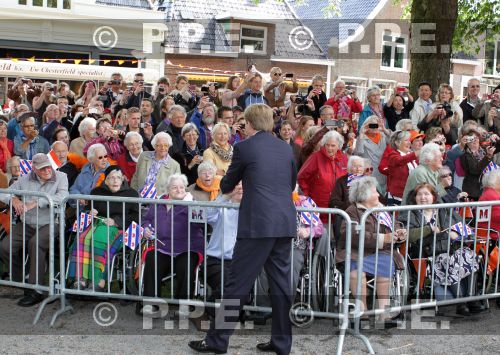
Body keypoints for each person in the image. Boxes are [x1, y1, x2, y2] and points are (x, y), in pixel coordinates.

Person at [189, 104, 297, 355]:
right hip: (283, 222)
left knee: (237, 283)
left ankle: (217, 341)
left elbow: (227, 183)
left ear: (249, 124)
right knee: (281, 286)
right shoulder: (284, 147)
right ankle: (282, 344)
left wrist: (235, 184)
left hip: (258, 223)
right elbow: (290, 183)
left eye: (244, 123)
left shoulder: (244, 147)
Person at [398, 183, 481, 315]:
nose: (423, 197)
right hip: (428, 252)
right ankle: (460, 302)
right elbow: (409, 235)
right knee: (447, 260)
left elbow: (465, 229)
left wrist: (457, 233)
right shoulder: (409, 213)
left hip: (451, 248)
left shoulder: (445, 209)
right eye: (419, 194)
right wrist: (429, 229)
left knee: (468, 254)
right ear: (414, 198)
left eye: (426, 194)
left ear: (434, 197)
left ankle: (471, 297)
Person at [0, 153, 68, 306]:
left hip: (51, 222)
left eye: (48, 167)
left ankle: (36, 290)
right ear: (34, 169)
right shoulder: (24, 178)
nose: (46, 171)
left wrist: (37, 202)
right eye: (42, 169)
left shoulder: (61, 176)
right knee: (5, 247)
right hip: (28, 223)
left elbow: (63, 196)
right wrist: (14, 198)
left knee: (35, 243)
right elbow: (3, 193)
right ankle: (23, 282)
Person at [339, 177, 406, 325]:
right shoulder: (352, 211)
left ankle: (384, 314)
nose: (378, 195)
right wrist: (383, 238)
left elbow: (393, 225)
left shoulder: (381, 209)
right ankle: (361, 313)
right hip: (356, 252)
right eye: (375, 192)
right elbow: (353, 235)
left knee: (386, 265)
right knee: (357, 272)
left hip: (380, 252)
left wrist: (399, 232)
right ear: (364, 195)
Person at [138, 174, 204, 313]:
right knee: (152, 259)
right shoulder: (159, 202)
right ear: (168, 189)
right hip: (162, 246)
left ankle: (184, 305)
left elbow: (201, 223)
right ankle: (151, 303)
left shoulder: (193, 202)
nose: (179, 190)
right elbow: (146, 219)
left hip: (187, 247)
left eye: (181, 187)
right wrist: (146, 229)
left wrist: (189, 205)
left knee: (186, 264)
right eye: (174, 187)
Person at [67, 166, 139, 290]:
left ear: (123, 179)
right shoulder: (97, 192)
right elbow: (88, 208)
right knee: (82, 239)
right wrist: (91, 211)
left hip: (119, 229)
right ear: (106, 180)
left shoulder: (132, 194)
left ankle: (99, 281)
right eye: (112, 178)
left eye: (118, 178)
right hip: (97, 224)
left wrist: (116, 222)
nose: (115, 181)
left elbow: (136, 216)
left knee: (100, 241)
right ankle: (81, 279)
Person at [298, 130, 348, 223]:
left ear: (339, 146)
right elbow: (301, 177)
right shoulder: (316, 157)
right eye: (327, 145)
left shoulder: (344, 159)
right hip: (319, 207)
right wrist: (307, 196)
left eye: (333, 145)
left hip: (339, 210)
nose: (329, 148)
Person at [130, 132, 181, 197]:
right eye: (159, 145)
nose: (163, 148)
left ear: (169, 146)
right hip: (139, 200)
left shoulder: (175, 165)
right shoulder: (144, 156)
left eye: (166, 145)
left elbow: (176, 188)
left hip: (160, 203)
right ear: (154, 146)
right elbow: (136, 177)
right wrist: (134, 195)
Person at [353, 116, 391, 194]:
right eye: (371, 125)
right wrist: (361, 134)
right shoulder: (362, 138)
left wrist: (384, 129)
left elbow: (396, 142)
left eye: (376, 125)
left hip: (384, 172)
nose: (374, 128)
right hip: (370, 173)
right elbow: (358, 153)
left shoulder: (383, 135)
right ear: (366, 126)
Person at [384, 130, 419, 205]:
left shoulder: (411, 155)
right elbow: (400, 160)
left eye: (409, 140)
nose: (409, 142)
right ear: (397, 143)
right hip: (397, 196)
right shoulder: (393, 155)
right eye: (406, 140)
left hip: (411, 195)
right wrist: (416, 154)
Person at [460, 130, 496, 200]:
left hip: (488, 187)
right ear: (467, 142)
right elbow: (475, 170)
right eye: (472, 139)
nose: (475, 140)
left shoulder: (485, 149)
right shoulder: (464, 155)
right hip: (473, 191)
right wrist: (487, 157)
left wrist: (496, 138)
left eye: (476, 138)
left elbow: (497, 147)